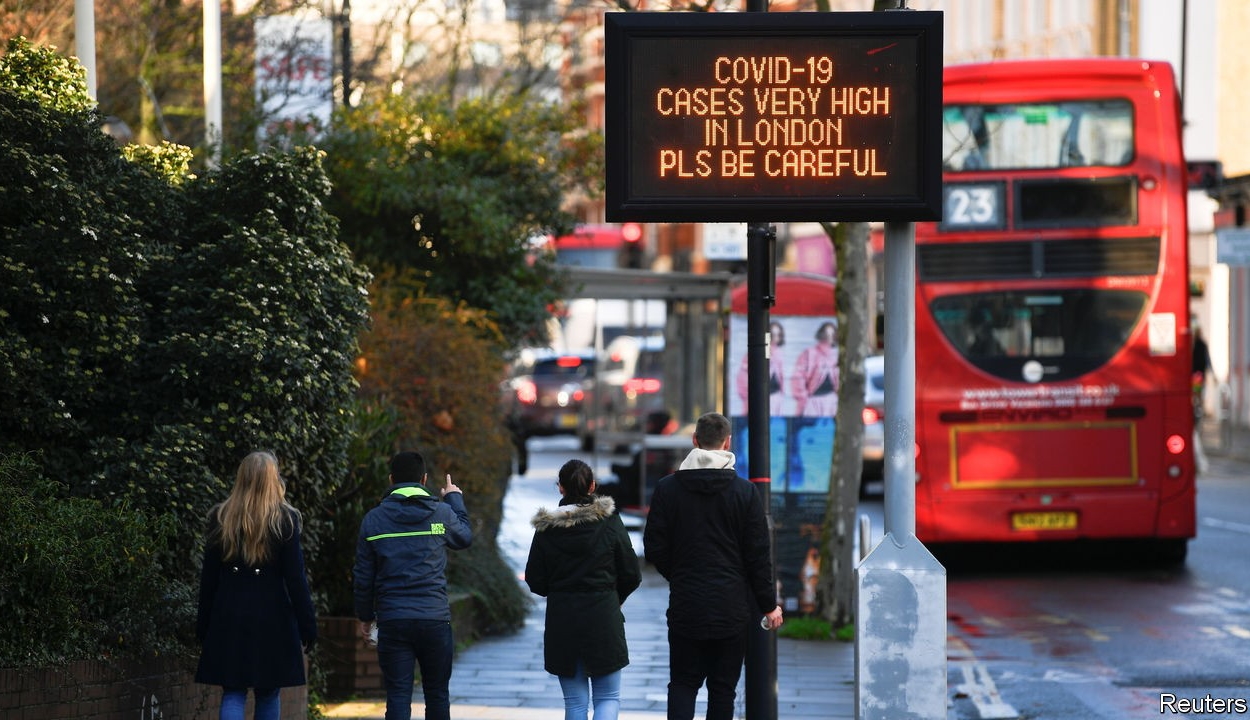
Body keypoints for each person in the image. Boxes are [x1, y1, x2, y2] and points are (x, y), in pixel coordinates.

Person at [643, 412, 783, 720]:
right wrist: (768, 604)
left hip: (686, 604)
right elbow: (758, 555)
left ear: (695, 441)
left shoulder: (668, 489)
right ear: (727, 443)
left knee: (683, 683)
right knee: (723, 689)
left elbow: (654, 546)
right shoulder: (745, 493)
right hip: (731, 608)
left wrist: (679, 573)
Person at [196, 450, 317, 720]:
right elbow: (296, 579)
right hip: (272, 617)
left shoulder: (221, 518)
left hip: (229, 614)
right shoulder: (285, 520)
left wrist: (203, 626)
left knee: (233, 691)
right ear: (273, 480)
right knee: (268, 692)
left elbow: (209, 579)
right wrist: (308, 626)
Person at [354, 451, 473, 720]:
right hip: (434, 618)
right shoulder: (440, 515)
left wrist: (365, 616)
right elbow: (464, 537)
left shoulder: (374, 520)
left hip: (393, 619)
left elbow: (363, 575)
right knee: (437, 693)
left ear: (391, 479)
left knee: (397, 693)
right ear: (424, 479)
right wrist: (454, 497)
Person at [525, 459, 642, 720]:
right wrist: (615, 598)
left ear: (560, 488)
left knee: (575, 704)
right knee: (608, 698)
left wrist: (560, 591)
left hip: (563, 619)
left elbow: (535, 579)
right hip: (603, 617)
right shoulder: (609, 522)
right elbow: (631, 573)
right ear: (592, 486)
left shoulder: (547, 528)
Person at [736, 321, 787, 416]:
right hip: (758, 399)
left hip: (776, 397)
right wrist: (749, 397)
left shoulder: (779, 354)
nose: (775, 338)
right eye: (772, 334)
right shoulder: (754, 353)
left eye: (778, 335)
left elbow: (781, 376)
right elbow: (742, 377)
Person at [791, 320, 840, 417]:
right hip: (813, 402)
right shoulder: (809, 353)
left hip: (832, 401)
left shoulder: (837, 355)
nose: (829, 338)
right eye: (826, 335)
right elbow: (798, 377)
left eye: (832, 335)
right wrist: (803, 398)